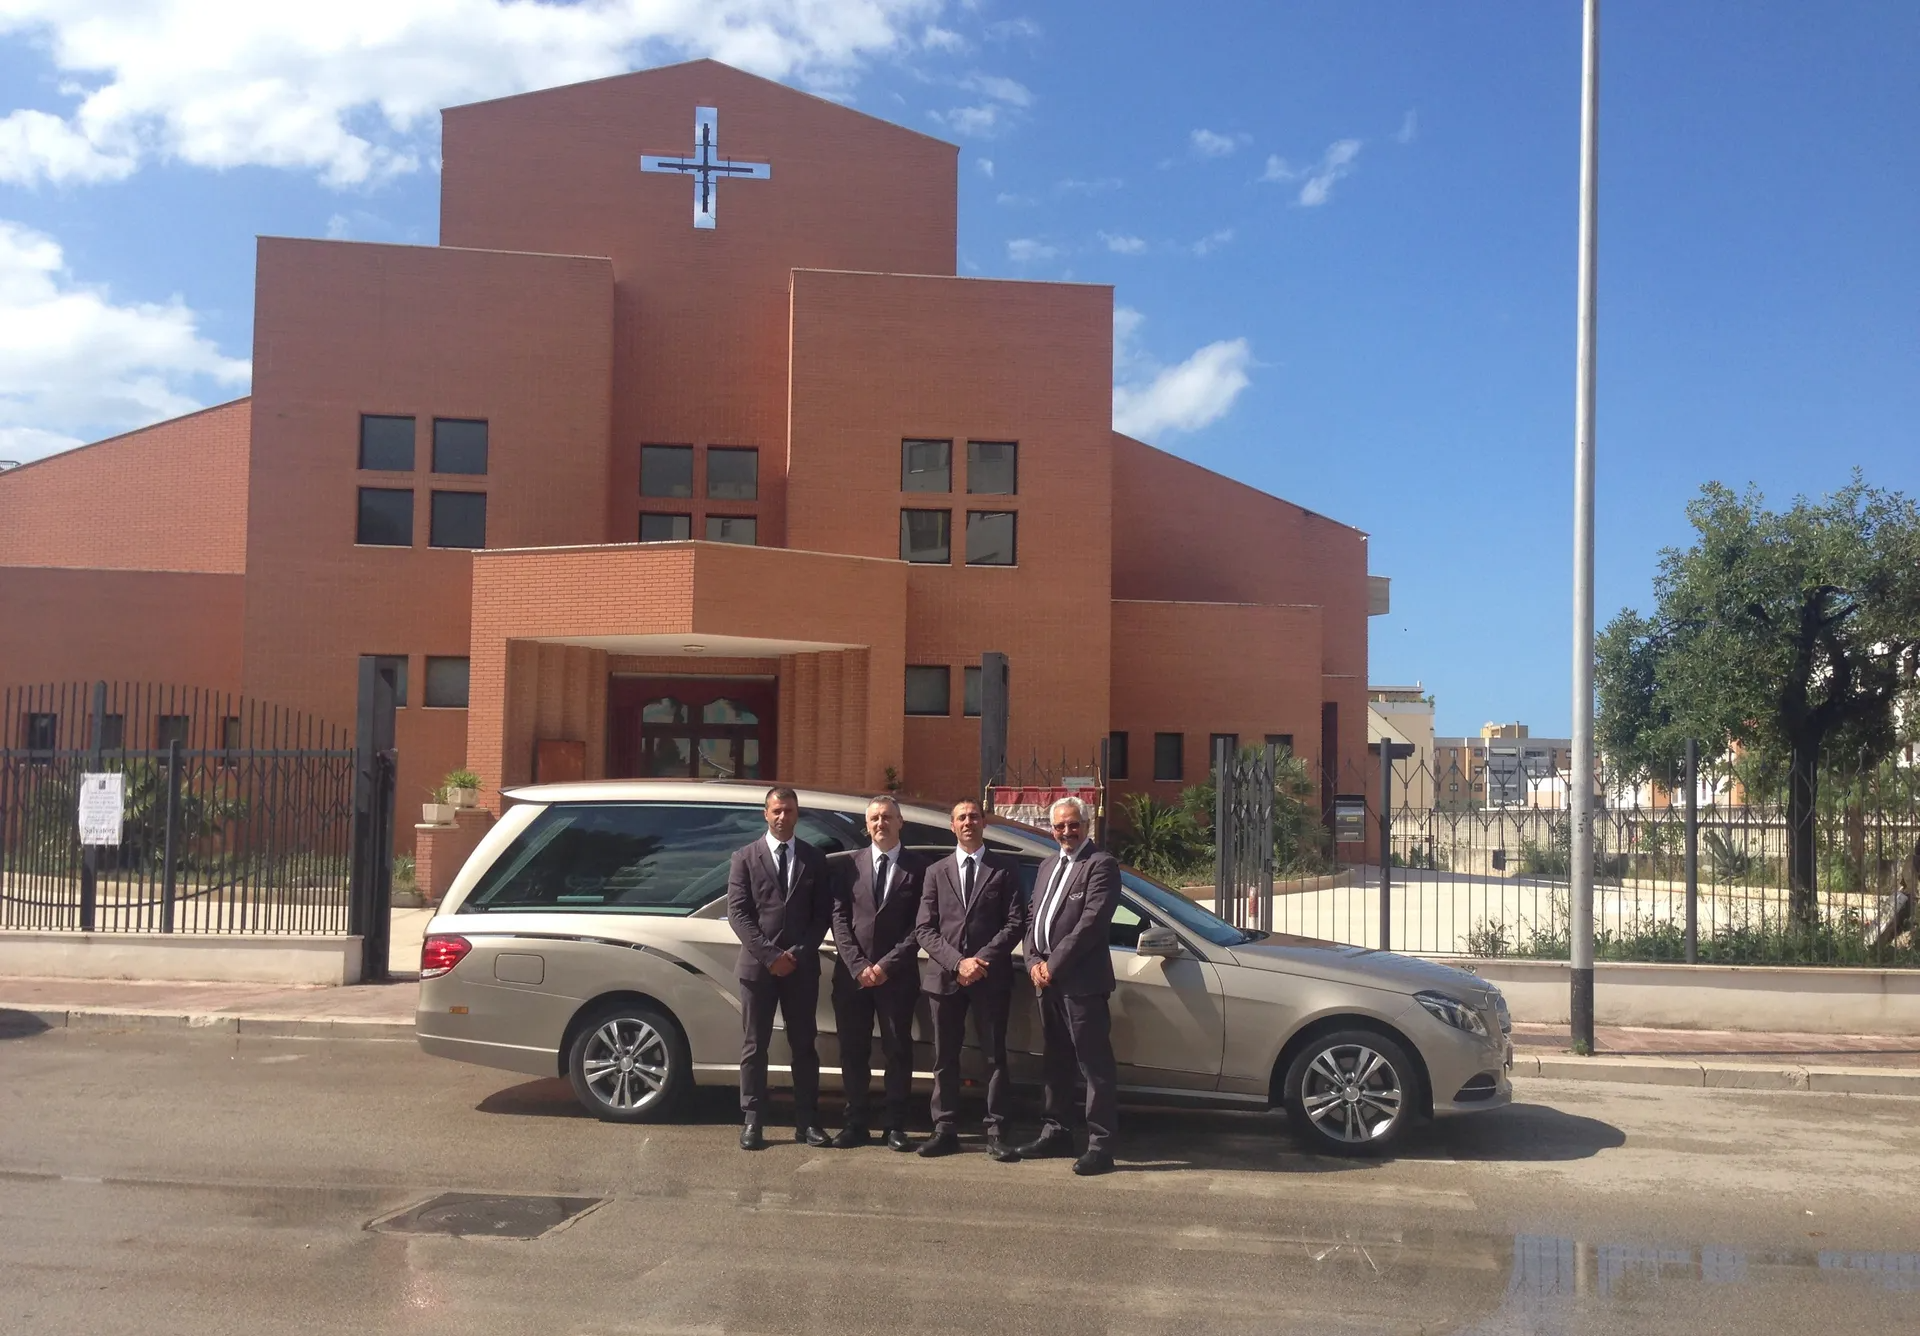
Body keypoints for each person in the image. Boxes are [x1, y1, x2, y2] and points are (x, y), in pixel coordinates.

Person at [913, 796, 1028, 1161]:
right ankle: (945, 1128)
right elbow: (924, 929)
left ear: (984, 823)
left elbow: (1015, 923)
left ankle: (996, 1130)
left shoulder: (1003, 869)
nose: (968, 822)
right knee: (945, 1057)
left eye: (974, 817)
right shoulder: (936, 871)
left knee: (995, 1057)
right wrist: (957, 963)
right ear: (952, 825)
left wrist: (979, 962)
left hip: (990, 978)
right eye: (961, 817)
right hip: (945, 979)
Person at [1018, 794, 1121, 1176]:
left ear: (1087, 826)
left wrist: (1053, 964)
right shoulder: (1047, 865)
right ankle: (1056, 1132)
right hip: (1046, 982)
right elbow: (1033, 918)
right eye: (1059, 826)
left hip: (1081, 982)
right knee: (1056, 1063)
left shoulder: (1101, 865)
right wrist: (1032, 960)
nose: (1065, 832)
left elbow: (1091, 924)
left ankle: (1101, 1146)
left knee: (1094, 1066)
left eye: (1072, 825)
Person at [727, 786, 832, 1151]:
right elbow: (738, 914)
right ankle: (753, 1120)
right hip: (758, 969)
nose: (782, 817)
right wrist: (771, 956)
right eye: (776, 811)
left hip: (801, 970)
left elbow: (822, 916)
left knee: (804, 1044)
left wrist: (798, 954)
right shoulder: (744, 857)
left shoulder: (814, 859)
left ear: (797, 814)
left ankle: (807, 1121)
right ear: (765, 814)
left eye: (788, 810)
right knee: (755, 1046)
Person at [829, 795, 925, 1150]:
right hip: (852, 977)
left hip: (896, 978)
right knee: (852, 1051)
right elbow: (838, 919)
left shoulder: (920, 869)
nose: (880, 823)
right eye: (874, 819)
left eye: (887, 817)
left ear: (900, 822)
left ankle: (895, 1125)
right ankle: (855, 1123)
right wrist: (858, 965)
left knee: (897, 1050)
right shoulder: (849, 866)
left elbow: (921, 926)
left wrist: (886, 965)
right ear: (866, 826)